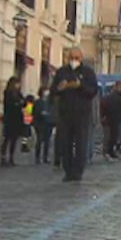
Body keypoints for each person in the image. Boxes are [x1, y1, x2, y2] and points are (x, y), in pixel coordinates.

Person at [51, 47, 99, 182]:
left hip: (82, 113)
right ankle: (68, 171)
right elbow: (53, 90)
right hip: (65, 113)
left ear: (81, 58)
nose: (74, 60)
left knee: (80, 143)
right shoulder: (62, 72)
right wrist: (59, 88)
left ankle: (78, 171)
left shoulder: (88, 72)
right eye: (71, 57)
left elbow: (93, 91)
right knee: (65, 143)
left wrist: (80, 86)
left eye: (76, 58)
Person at [0, 77, 25, 167]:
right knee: (7, 139)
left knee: (14, 139)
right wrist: (18, 104)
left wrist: (21, 103)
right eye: (17, 83)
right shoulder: (8, 93)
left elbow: (24, 103)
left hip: (17, 119)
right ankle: (3, 158)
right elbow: (10, 105)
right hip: (9, 118)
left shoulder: (19, 93)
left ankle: (11, 158)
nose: (18, 85)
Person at [101, 81, 121, 161]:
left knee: (111, 137)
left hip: (111, 119)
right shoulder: (117, 97)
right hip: (112, 119)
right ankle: (108, 152)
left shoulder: (110, 97)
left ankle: (110, 152)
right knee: (110, 137)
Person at [33, 86, 55, 165]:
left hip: (48, 123)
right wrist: (41, 113)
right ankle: (37, 157)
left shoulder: (50, 101)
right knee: (39, 140)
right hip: (39, 123)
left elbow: (53, 110)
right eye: (45, 91)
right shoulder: (38, 102)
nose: (47, 92)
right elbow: (34, 112)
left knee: (47, 141)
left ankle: (45, 157)